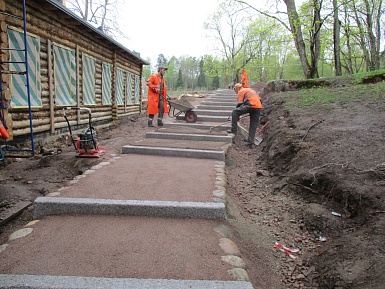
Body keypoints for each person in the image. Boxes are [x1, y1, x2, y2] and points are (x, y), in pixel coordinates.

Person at [227, 83, 262, 148]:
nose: (236, 92)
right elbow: (259, 100)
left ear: (237, 88)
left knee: (234, 112)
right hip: (258, 107)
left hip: (251, 105)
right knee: (253, 125)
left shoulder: (241, 91)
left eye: (235, 90)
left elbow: (239, 104)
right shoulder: (249, 90)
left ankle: (233, 129)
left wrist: (237, 115)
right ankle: (250, 143)